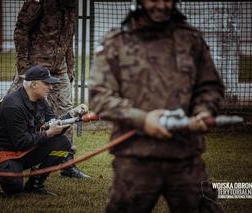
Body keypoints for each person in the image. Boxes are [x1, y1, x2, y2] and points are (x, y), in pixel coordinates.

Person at [89, 0, 225, 212]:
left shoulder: (190, 39)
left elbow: (209, 86)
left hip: (185, 157)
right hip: (135, 159)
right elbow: (99, 96)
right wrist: (142, 120)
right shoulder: (117, 42)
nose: (161, 5)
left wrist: (204, 111)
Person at [0, 65, 86, 195]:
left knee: (62, 143)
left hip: (23, 149)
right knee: (13, 186)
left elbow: (53, 125)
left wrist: (72, 115)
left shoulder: (41, 100)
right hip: (2, 153)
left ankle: (35, 185)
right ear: (33, 84)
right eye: (47, 83)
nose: (50, 87)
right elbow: (21, 142)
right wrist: (48, 133)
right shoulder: (13, 105)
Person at [9, 0, 90, 179]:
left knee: (67, 111)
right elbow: (21, 31)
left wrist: (70, 68)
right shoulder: (39, 2)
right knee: (12, 106)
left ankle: (67, 164)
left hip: (59, 67)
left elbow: (68, 40)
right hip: (35, 66)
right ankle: (2, 156)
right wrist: (23, 68)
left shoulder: (71, 5)